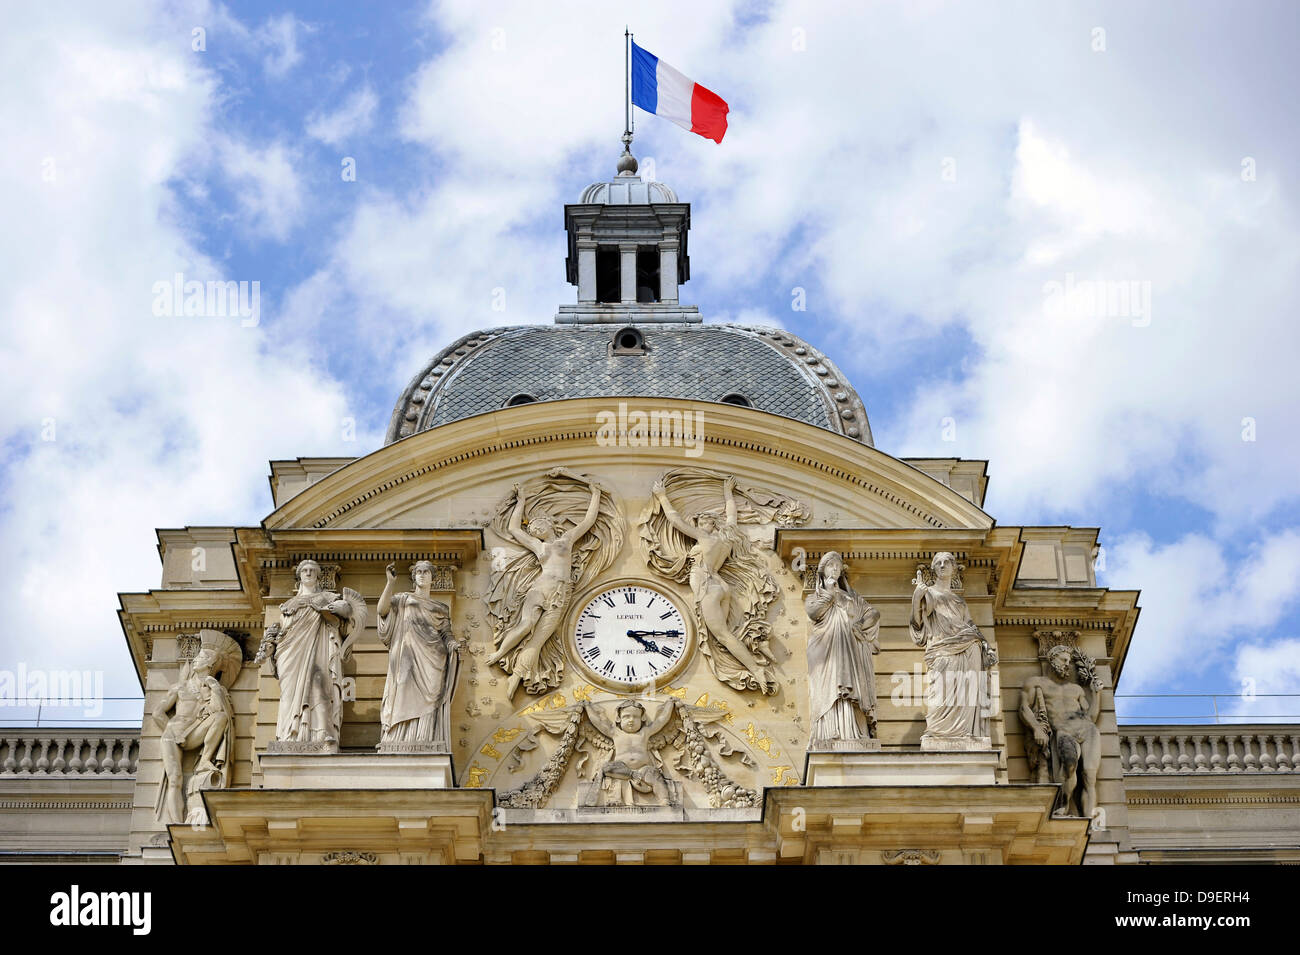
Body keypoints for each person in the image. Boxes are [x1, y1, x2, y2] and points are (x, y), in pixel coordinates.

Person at [652, 476, 775, 693]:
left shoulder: (704, 538)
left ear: (707, 524)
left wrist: (662, 496)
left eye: (701, 522)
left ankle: (756, 669)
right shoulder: (727, 537)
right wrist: (728, 492)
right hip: (720, 585)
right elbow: (731, 515)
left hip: (708, 585)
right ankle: (752, 658)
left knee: (722, 635)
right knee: (723, 635)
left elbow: (675, 520)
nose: (698, 526)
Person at [487, 468, 602, 697]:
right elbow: (513, 529)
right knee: (526, 624)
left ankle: (517, 677)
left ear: (550, 524)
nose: (535, 529)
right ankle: (499, 654)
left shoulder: (566, 540)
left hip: (561, 592)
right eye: (533, 528)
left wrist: (595, 494)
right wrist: (521, 501)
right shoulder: (538, 547)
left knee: (539, 638)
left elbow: (589, 520)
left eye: (538, 525)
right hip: (540, 587)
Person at [258, 559, 364, 744]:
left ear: (317, 575)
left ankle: (321, 733)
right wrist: (270, 645)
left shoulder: (326, 598)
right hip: (290, 653)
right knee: (289, 694)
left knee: (319, 686)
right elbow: (282, 630)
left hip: (319, 648)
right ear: (299, 575)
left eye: (312, 570)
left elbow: (347, 616)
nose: (308, 573)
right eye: (304, 570)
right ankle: (289, 734)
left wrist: (339, 608)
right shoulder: (288, 605)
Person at [152, 630, 240, 825]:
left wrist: (215, 689)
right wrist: (172, 732)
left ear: (210, 664)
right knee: (175, 778)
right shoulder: (180, 687)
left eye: (202, 657)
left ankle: (205, 760)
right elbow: (157, 713)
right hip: (172, 735)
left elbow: (222, 714)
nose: (196, 660)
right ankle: (176, 824)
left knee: (221, 717)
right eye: (198, 656)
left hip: (194, 733)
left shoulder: (216, 688)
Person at [909, 552, 996, 744]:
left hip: (968, 652)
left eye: (946, 562)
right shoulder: (928, 593)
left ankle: (965, 734)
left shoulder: (959, 602)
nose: (942, 565)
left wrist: (986, 647)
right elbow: (918, 627)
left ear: (954, 567)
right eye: (938, 562)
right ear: (933, 568)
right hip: (941, 652)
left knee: (967, 695)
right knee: (939, 696)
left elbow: (971, 627)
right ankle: (939, 732)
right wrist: (917, 599)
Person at [377, 560, 462, 749]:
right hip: (407, 652)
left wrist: (453, 644)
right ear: (414, 577)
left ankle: (424, 738)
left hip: (434, 657)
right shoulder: (402, 598)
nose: (422, 575)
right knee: (403, 689)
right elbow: (381, 610)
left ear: (433, 577)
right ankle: (400, 738)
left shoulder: (441, 608)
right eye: (419, 572)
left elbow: (446, 633)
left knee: (431, 697)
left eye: (426, 572)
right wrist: (390, 583)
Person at [806, 551, 880, 744]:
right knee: (831, 685)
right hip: (826, 650)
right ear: (822, 572)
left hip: (850, 649)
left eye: (838, 566)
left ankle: (853, 732)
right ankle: (830, 729)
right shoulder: (816, 596)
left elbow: (873, 613)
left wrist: (860, 624)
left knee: (851, 686)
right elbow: (813, 613)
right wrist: (830, 595)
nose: (835, 569)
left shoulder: (852, 598)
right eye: (831, 565)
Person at [583, 700, 676, 806]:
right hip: (621, 769)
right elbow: (597, 722)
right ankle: (632, 774)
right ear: (619, 719)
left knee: (655, 774)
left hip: (643, 770)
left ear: (642, 718)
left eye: (635, 717)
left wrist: (670, 705)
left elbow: (661, 721)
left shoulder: (645, 733)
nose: (631, 720)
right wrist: (587, 707)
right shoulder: (615, 733)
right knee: (608, 767)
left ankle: (664, 800)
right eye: (626, 716)